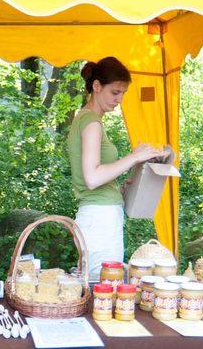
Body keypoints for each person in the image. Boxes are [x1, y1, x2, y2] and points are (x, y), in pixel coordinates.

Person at [67, 56, 166, 280]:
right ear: (96, 86)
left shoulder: (86, 119)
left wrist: (118, 188)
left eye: (123, 93)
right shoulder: (91, 123)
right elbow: (92, 178)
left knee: (101, 287)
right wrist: (134, 157)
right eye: (115, 92)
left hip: (97, 218)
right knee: (104, 289)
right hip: (99, 221)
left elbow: (95, 176)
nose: (120, 100)